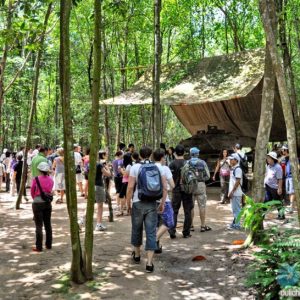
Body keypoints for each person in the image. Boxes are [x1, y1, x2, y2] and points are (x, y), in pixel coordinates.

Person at [126, 146, 167, 273]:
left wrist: (128, 204)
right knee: (151, 232)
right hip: (152, 203)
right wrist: (162, 203)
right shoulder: (158, 167)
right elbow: (165, 188)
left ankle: (137, 255)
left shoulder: (135, 167)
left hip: (138, 203)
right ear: (150, 155)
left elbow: (130, 187)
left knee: (136, 228)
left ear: (140, 155)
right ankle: (149, 263)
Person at [168, 144, 194, 239]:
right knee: (187, 211)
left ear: (175, 152)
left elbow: (169, 178)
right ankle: (186, 232)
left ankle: (172, 231)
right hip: (187, 190)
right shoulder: (189, 163)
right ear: (184, 153)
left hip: (176, 190)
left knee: (174, 211)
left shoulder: (172, 163)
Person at [153, 148, 175, 254]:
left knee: (155, 224)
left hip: (151, 200)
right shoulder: (165, 168)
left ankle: (156, 246)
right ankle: (154, 241)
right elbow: (172, 185)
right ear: (162, 158)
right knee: (169, 221)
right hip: (164, 200)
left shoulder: (149, 167)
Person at [31, 162, 54, 252]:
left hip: (37, 203)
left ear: (40, 170)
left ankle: (39, 247)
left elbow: (32, 191)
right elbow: (50, 191)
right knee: (48, 224)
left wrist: (35, 198)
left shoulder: (35, 179)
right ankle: (49, 244)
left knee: (38, 225)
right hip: (47, 203)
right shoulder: (51, 180)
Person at [189, 147, 211, 232]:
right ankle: (202, 225)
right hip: (200, 185)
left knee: (191, 207)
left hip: (190, 186)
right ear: (198, 154)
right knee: (202, 206)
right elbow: (208, 176)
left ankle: (191, 226)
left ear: (190, 154)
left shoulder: (187, 163)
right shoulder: (202, 163)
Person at [264, 151, 285, 220]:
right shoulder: (268, 166)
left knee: (278, 202)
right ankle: (261, 215)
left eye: (269, 158)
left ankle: (281, 215)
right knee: (266, 201)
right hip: (268, 186)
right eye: (267, 158)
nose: (267, 159)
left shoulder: (278, 167)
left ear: (273, 159)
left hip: (274, 188)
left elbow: (280, 179)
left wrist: (279, 188)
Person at [95, 151, 112, 231]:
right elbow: (108, 174)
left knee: (91, 205)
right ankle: (99, 224)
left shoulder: (89, 164)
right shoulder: (99, 164)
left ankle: (80, 221)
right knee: (100, 206)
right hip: (98, 186)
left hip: (92, 186)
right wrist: (107, 167)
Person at [227, 153, 243, 230]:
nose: (230, 160)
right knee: (234, 209)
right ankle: (235, 223)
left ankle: (237, 225)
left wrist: (232, 192)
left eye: (231, 159)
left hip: (236, 193)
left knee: (236, 209)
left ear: (236, 160)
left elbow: (237, 182)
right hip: (234, 193)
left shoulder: (238, 169)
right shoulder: (234, 168)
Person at [281, 145, 296, 214]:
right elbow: (278, 161)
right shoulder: (285, 158)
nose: (282, 151)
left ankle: (291, 206)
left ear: (287, 150)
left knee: (292, 192)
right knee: (289, 192)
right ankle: (291, 205)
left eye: (283, 150)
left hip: (292, 176)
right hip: (287, 177)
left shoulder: (293, 157)